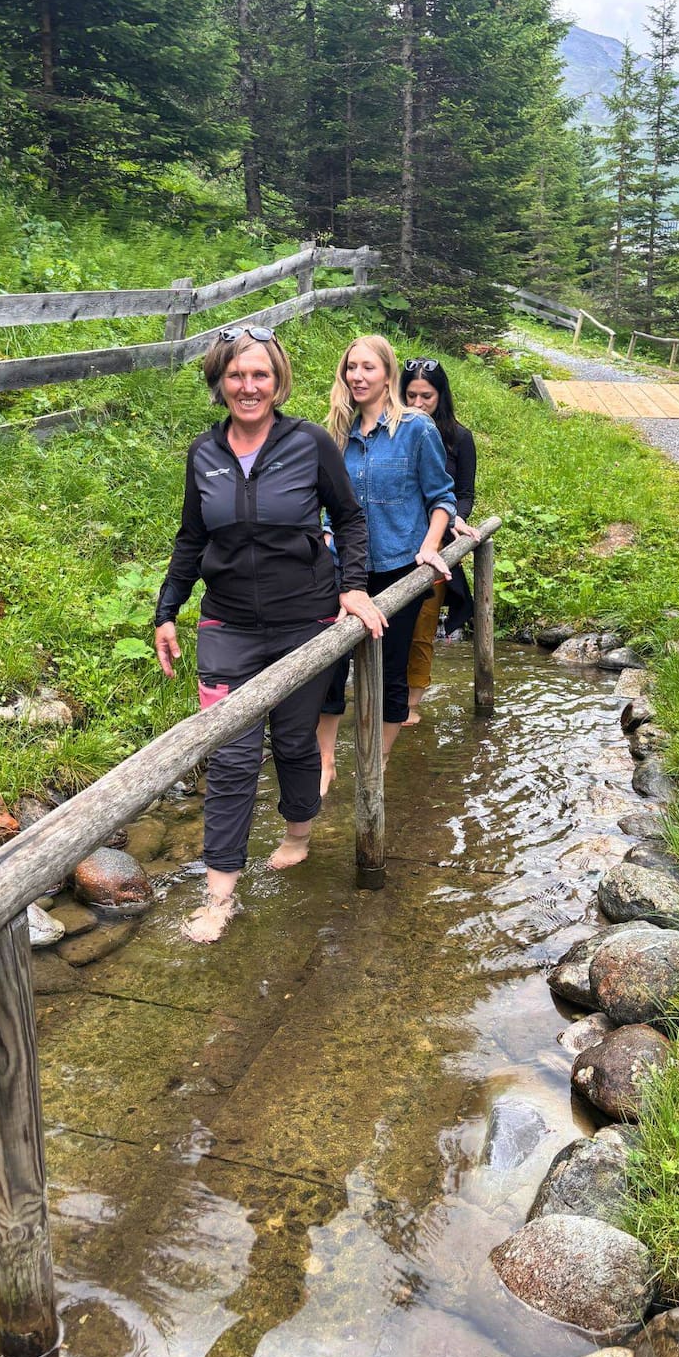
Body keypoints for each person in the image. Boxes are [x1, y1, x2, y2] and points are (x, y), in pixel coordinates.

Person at [154, 326, 386, 943]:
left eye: (259, 375)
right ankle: (219, 894)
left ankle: (299, 829)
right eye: (235, 375)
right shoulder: (203, 454)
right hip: (226, 624)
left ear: (278, 381)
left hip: (304, 622)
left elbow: (349, 518)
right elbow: (191, 538)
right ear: (219, 382)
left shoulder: (310, 444)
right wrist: (167, 610)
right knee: (229, 757)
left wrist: (352, 586)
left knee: (293, 743)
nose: (248, 386)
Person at [317, 334, 472, 793]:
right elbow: (329, 501)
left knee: (391, 671)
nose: (357, 376)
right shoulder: (337, 433)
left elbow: (441, 497)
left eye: (368, 367)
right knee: (329, 665)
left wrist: (429, 546)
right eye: (351, 368)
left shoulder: (416, 429)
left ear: (387, 375)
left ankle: (378, 763)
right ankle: (325, 761)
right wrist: (326, 532)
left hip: (399, 565)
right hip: (346, 568)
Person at [400, 357, 477, 725]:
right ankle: (387, 694)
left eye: (425, 397)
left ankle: (411, 704)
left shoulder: (459, 438)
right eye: (411, 396)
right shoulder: (390, 434)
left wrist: (455, 516)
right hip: (394, 541)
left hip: (439, 543)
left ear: (440, 396)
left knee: (422, 626)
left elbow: (464, 492)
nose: (417, 404)